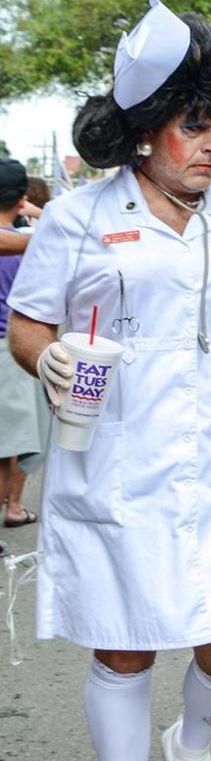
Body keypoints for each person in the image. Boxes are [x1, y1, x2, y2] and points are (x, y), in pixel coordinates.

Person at [7, 0, 211, 761]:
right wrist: (54, 362)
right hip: (116, 455)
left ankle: (189, 751)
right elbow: (28, 323)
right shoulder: (79, 216)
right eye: (193, 125)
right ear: (143, 130)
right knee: (127, 649)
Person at [0, 158, 48, 529]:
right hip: (10, 352)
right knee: (8, 450)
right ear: (20, 199)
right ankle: (12, 507)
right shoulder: (33, 247)